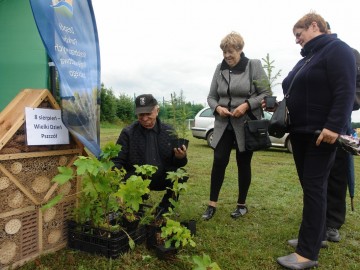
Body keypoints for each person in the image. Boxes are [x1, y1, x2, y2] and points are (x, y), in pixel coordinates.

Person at [276, 12, 356, 270]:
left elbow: (345, 90)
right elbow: (292, 88)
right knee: (312, 189)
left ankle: (306, 252)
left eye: (299, 34)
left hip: (320, 134)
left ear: (314, 26)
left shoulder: (337, 50)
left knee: (314, 188)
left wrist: (333, 126)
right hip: (301, 133)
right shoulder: (309, 57)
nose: (296, 40)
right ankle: (316, 235)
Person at [201, 31, 271, 221]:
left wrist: (247, 105)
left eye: (230, 51)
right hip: (224, 123)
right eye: (224, 52)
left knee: (243, 162)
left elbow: (265, 93)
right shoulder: (219, 68)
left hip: (246, 123)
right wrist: (217, 108)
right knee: (219, 160)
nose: (227, 56)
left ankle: (241, 205)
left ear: (240, 49)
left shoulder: (253, 65)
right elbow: (211, 96)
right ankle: (211, 205)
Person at [111, 94, 188, 212]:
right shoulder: (128, 133)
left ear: (157, 111)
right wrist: (117, 182)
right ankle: (136, 204)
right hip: (138, 178)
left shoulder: (169, 131)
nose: (145, 118)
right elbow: (117, 160)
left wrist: (180, 157)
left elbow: (177, 163)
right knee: (133, 211)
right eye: (141, 114)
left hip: (163, 177)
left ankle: (165, 209)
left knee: (181, 174)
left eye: (148, 113)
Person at [325, 21, 359, 243]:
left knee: (337, 172)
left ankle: (333, 222)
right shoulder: (311, 56)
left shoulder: (349, 53)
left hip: (339, 123)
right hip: (313, 124)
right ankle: (317, 217)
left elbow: (357, 89)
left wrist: (346, 104)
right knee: (316, 175)